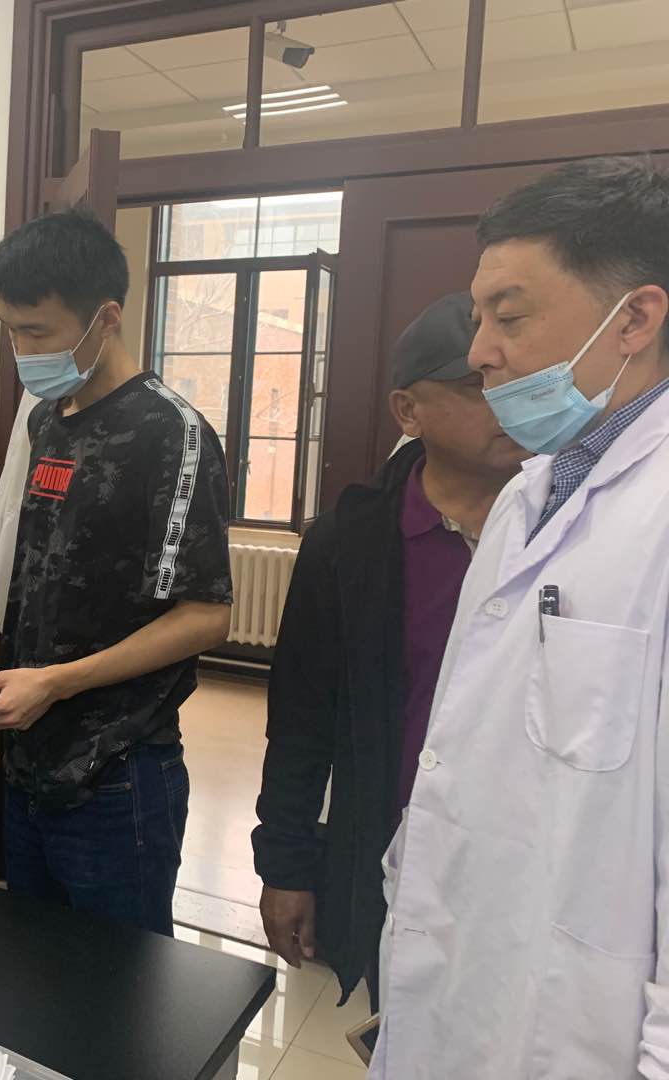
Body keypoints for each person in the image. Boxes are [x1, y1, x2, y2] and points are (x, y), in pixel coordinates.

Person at [370, 157, 669, 1078]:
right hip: (462, 972)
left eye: (510, 315)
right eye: (478, 320)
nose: (480, 352)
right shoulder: (526, 496)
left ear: (635, 320)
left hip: (581, 1028)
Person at [252, 293, 527, 1010]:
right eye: (476, 387)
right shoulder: (350, 544)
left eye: (518, 379)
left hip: (529, 867)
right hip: (392, 852)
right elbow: (301, 722)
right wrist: (286, 866)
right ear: (408, 411)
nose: (507, 401)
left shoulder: (572, 528)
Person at [0, 210, 233, 936]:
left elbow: (206, 614)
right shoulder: (47, 419)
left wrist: (57, 682)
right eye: (11, 331)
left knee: (121, 987)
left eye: (38, 333)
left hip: (118, 771)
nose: (22, 352)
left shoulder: (171, 431)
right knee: (34, 972)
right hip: (29, 762)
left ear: (106, 318)